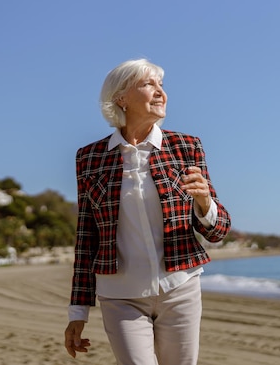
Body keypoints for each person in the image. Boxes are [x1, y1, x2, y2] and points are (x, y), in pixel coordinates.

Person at [64, 58, 231, 365]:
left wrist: (205, 202)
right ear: (121, 98)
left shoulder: (186, 147)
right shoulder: (89, 157)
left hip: (180, 289)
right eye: (148, 84)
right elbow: (86, 236)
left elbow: (217, 231)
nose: (160, 92)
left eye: (161, 85)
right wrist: (78, 311)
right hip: (120, 296)